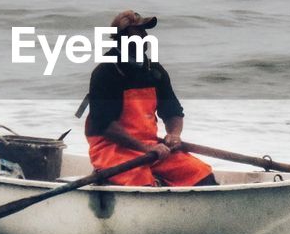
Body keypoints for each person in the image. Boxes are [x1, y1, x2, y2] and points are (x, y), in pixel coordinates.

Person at [84, 10, 217, 187]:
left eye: (145, 31)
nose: (145, 35)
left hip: (151, 148)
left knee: (201, 174)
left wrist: (174, 135)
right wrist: (145, 148)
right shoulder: (106, 73)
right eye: (138, 31)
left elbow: (173, 113)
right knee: (143, 184)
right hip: (111, 150)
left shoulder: (154, 71)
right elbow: (105, 127)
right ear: (122, 37)